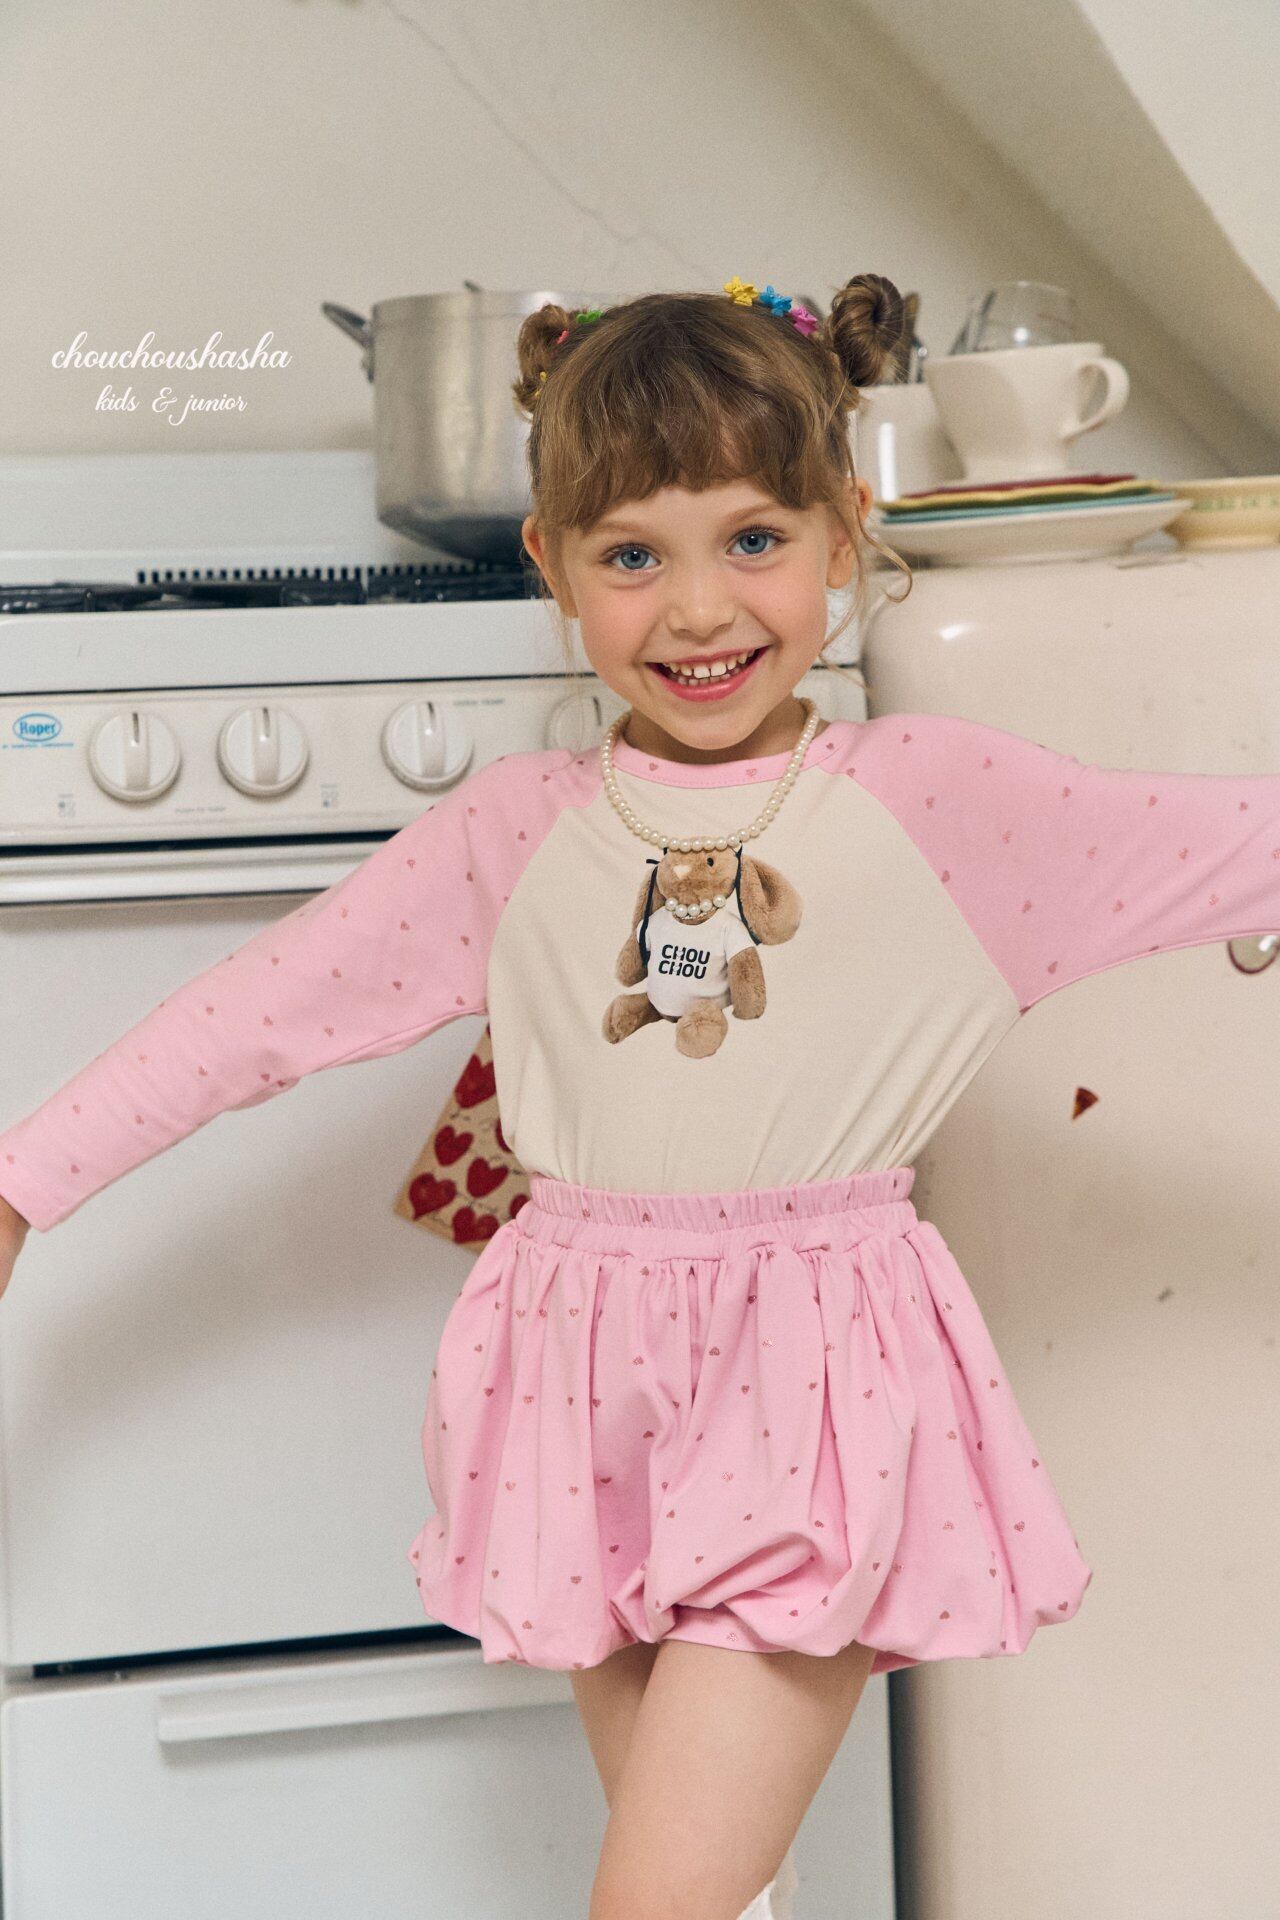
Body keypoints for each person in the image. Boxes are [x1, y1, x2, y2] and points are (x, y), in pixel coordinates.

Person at [4, 272, 1280, 1920]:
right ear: (552, 569)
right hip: (573, 1389)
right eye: (631, 557)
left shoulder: (943, 804)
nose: (695, 609)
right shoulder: (513, 831)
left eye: (752, 539)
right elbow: (258, 1014)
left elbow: (1238, 836)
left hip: (813, 1396)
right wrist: (24, 1180)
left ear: (844, 532)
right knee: (718, 1897)